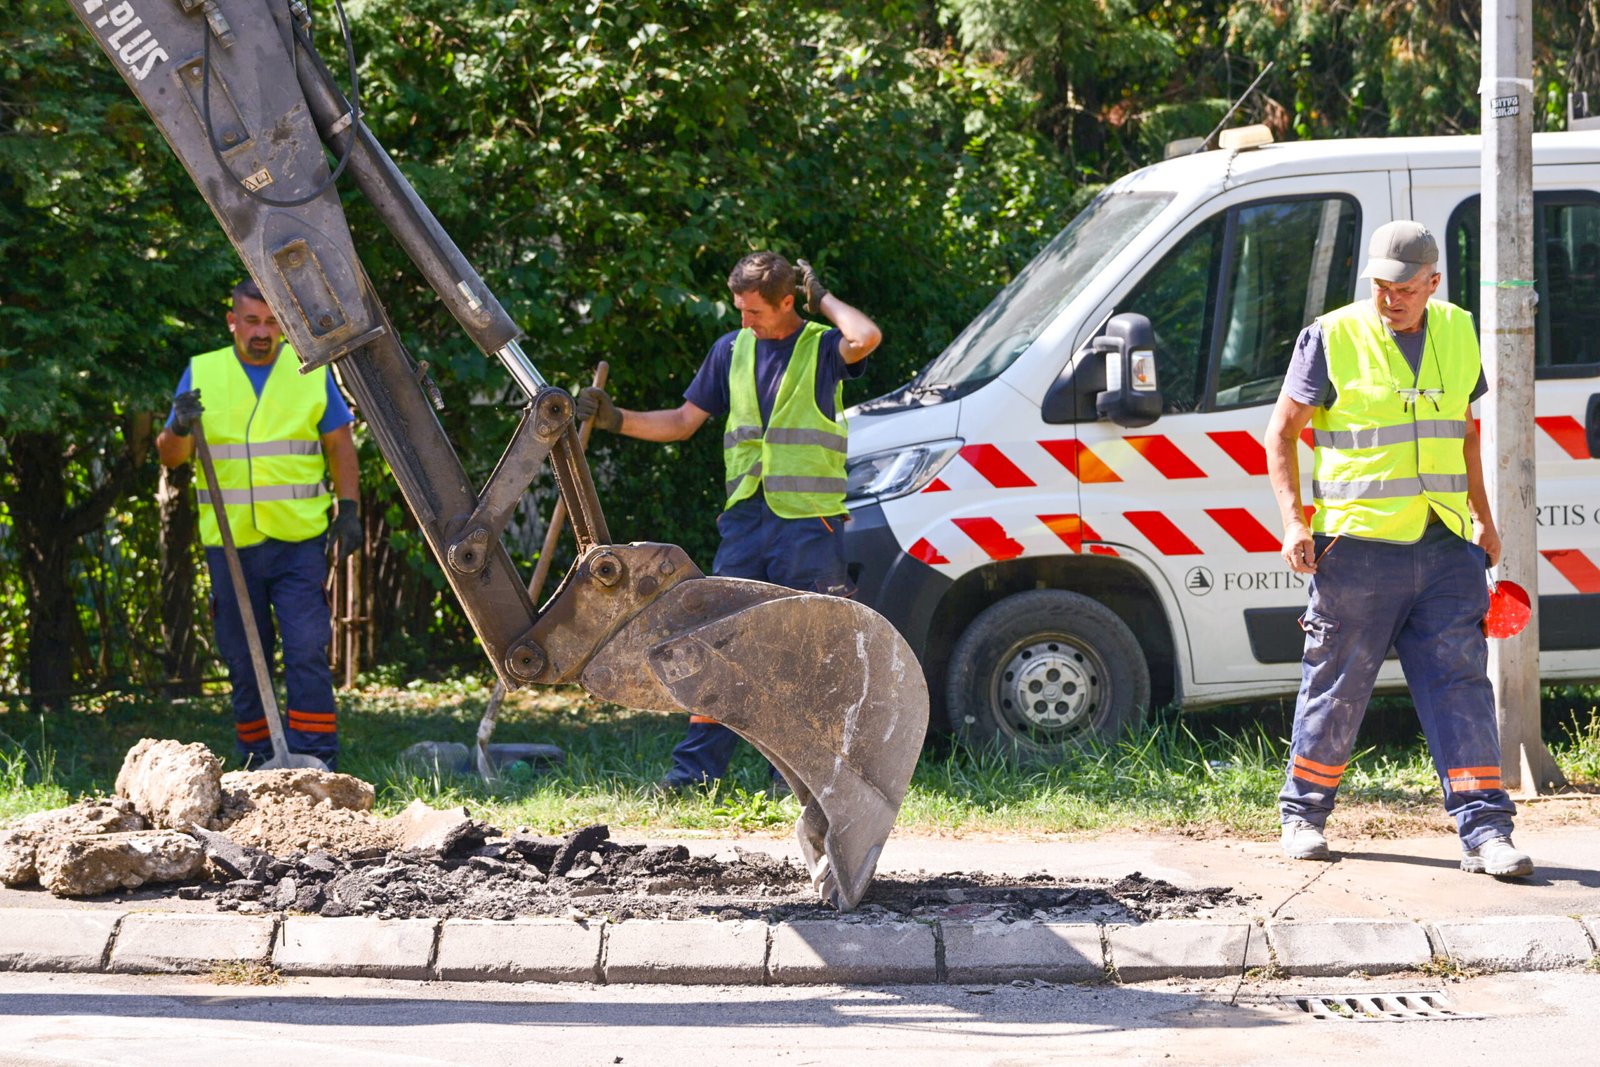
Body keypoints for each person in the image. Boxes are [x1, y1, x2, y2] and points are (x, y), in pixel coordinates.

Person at [1263, 219, 1531, 878]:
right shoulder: (1331, 336)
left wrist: (1484, 520)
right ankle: (1303, 815)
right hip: (1357, 547)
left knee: (1461, 688)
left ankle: (1487, 832)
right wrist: (1295, 523)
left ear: (1433, 282)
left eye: (1405, 288)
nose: (1391, 298)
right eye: (1381, 285)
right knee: (1336, 685)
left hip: (1445, 544)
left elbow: (1464, 435)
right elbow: (1281, 432)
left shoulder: (1459, 330)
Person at [576, 251, 882, 791]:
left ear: (787, 303)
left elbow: (866, 336)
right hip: (745, 520)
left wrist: (823, 298)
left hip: (809, 524)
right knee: (717, 641)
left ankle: (794, 778)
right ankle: (694, 775)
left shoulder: (820, 346)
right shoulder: (731, 350)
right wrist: (615, 419)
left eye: (754, 310)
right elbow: (681, 422)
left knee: (801, 648)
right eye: (739, 308)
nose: (744, 319)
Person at [156, 279, 362, 770]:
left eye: (272, 322)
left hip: (299, 540)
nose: (263, 332)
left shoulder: (308, 371)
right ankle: (257, 757)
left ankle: (316, 757)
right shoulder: (203, 372)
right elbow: (170, 456)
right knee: (244, 655)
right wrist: (180, 425)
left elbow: (339, 444)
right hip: (230, 545)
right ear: (233, 322)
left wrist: (349, 509)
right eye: (252, 321)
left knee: (307, 647)